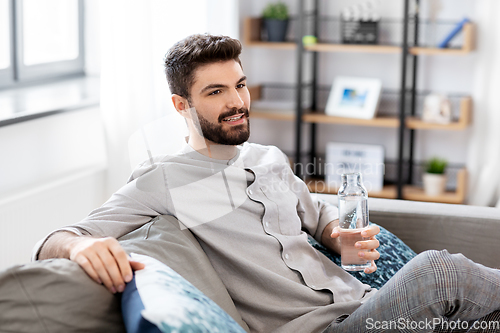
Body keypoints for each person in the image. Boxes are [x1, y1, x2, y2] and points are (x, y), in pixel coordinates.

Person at [35, 34, 500, 333]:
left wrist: (338, 235)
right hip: (320, 329)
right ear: (181, 105)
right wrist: (77, 249)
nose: (238, 101)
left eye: (240, 85)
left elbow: (319, 219)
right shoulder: (165, 181)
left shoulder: (270, 159)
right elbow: (58, 239)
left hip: (364, 305)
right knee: (438, 271)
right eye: (215, 92)